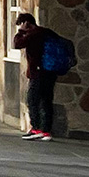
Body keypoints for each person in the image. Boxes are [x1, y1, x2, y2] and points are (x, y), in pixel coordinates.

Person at [13, 12, 59, 141]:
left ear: (26, 23)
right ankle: (46, 131)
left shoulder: (33, 35)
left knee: (33, 100)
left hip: (38, 73)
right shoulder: (47, 32)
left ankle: (36, 128)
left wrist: (21, 32)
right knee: (46, 101)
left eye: (21, 24)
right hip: (51, 72)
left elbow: (17, 44)